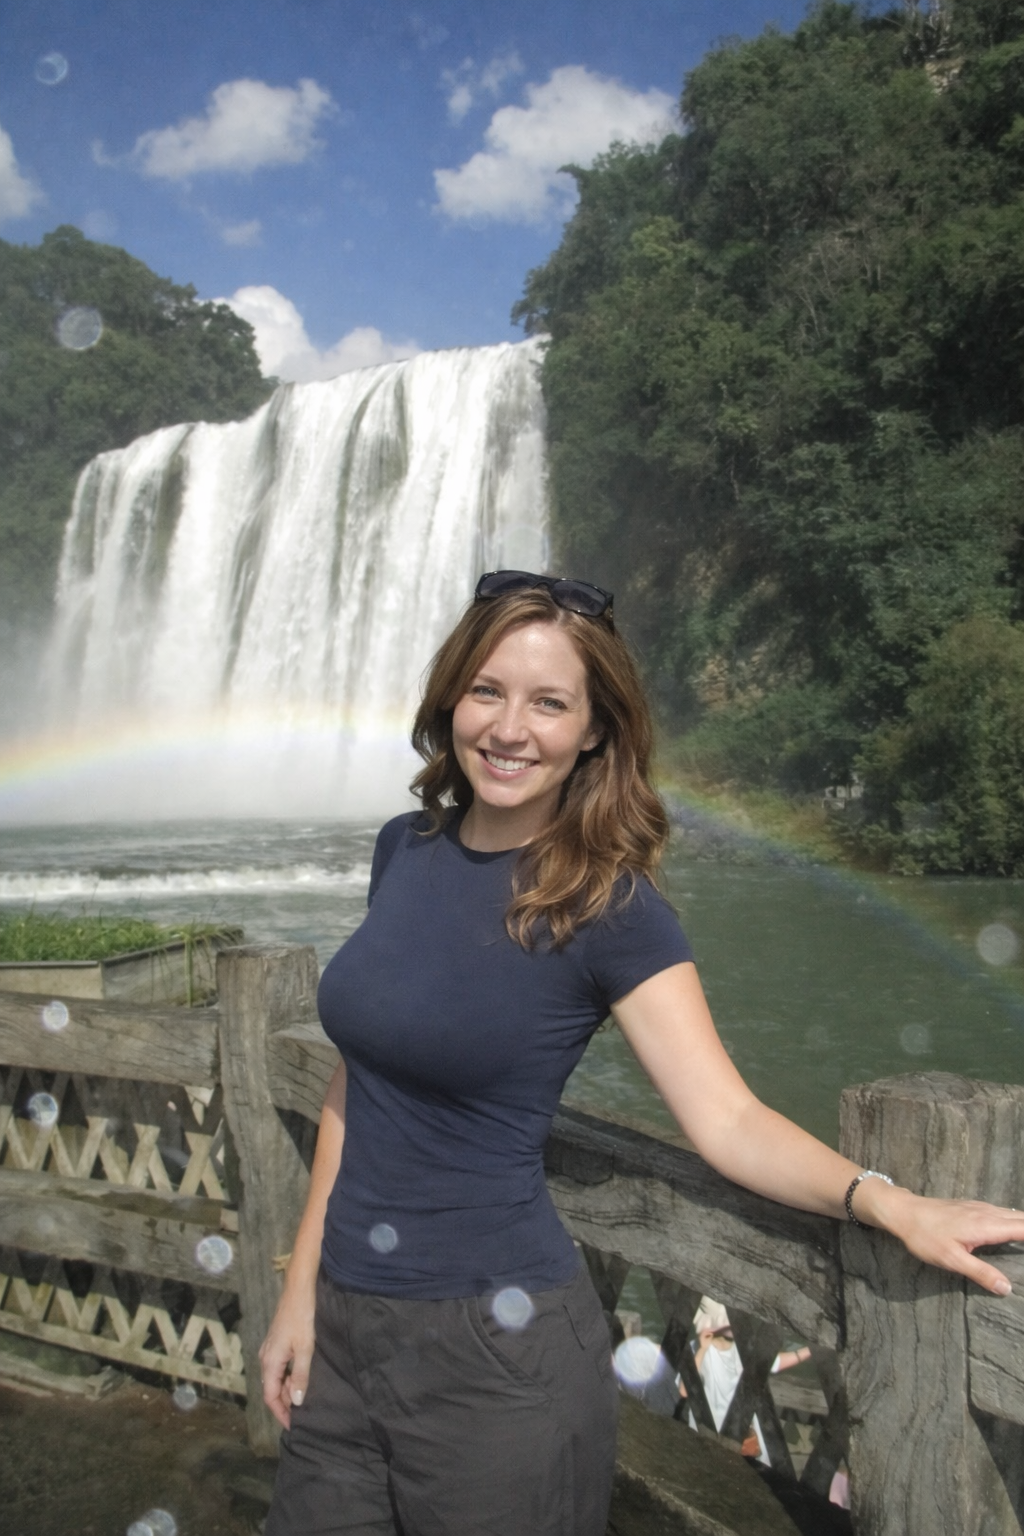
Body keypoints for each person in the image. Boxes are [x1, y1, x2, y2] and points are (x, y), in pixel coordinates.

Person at [260, 570, 1024, 1536]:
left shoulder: (608, 907)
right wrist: (300, 1295)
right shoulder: (403, 850)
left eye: (549, 703)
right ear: (451, 696)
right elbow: (361, 1084)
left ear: (593, 731)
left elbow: (728, 1118)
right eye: (487, 690)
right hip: (344, 1334)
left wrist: (887, 1200)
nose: (509, 728)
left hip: (495, 1361)